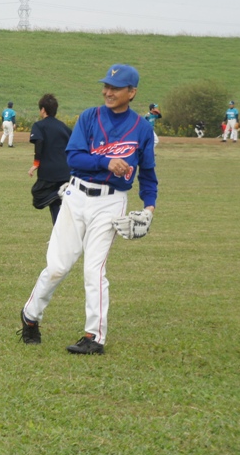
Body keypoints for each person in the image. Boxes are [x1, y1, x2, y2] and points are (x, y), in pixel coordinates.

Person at [19, 64, 158, 355]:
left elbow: (147, 173)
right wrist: (105, 162)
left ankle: (94, 337)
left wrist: (149, 208)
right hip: (76, 195)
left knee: (94, 270)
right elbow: (74, 157)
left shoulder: (142, 129)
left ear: (132, 93)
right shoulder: (90, 117)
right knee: (57, 267)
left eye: (116, 88)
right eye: (106, 86)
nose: (108, 91)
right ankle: (30, 316)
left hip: (111, 200)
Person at [27, 93, 72, 225]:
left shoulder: (39, 126)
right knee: (55, 204)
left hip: (49, 171)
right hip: (65, 170)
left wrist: (36, 163)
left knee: (38, 197)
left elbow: (39, 142)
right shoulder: (65, 127)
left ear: (42, 110)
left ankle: (61, 193)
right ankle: (58, 235)